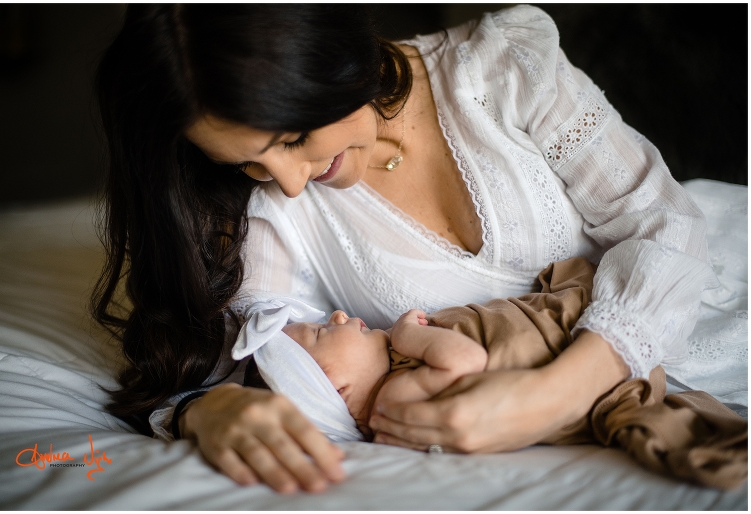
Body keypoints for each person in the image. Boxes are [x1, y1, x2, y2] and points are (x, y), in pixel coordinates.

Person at [93, 4, 718, 494]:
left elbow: (664, 224)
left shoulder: (504, 65)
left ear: (330, 58)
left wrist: (552, 395)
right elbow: (239, 352)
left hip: (681, 329)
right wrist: (210, 409)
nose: (287, 181)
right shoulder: (265, 210)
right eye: (249, 163)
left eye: (293, 137)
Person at [237, 258, 746, 490]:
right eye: (326, 332)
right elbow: (468, 361)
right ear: (337, 390)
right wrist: (407, 335)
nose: (340, 316)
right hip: (570, 352)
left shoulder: (396, 392)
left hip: (594, 356)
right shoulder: (397, 394)